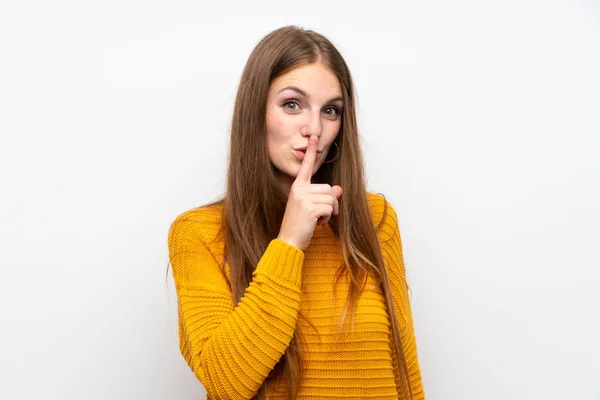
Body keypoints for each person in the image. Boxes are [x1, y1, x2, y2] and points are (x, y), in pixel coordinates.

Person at [168, 25, 425, 400]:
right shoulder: (198, 233)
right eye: (292, 104)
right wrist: (289, 242)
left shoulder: (376, 219)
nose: (314, 129)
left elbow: (406, 374)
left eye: (331, 111)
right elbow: (225, 384)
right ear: (256, 111)